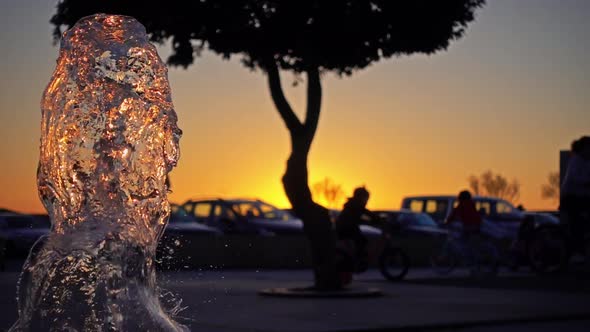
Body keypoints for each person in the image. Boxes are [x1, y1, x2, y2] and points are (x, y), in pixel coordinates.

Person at [335, 187, 379, 271]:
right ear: (360, 197)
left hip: (348, 227)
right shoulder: (355, 205)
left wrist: (375, 218)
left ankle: (358, 259)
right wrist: (375, 219)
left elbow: (366, 213)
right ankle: (357, 261)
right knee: (361, 241)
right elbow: (365, 214)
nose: (366, 201)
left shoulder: (354, 204)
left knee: (361, 241)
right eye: (365, 198)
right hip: (345, 228)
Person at [560, 136, 590, 250]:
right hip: (571, 197)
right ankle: (577, 247)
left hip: (580, 196)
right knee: (577, 224)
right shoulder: (576, 160)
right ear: (583, 148)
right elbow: (576, 178)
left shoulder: (586, 162)